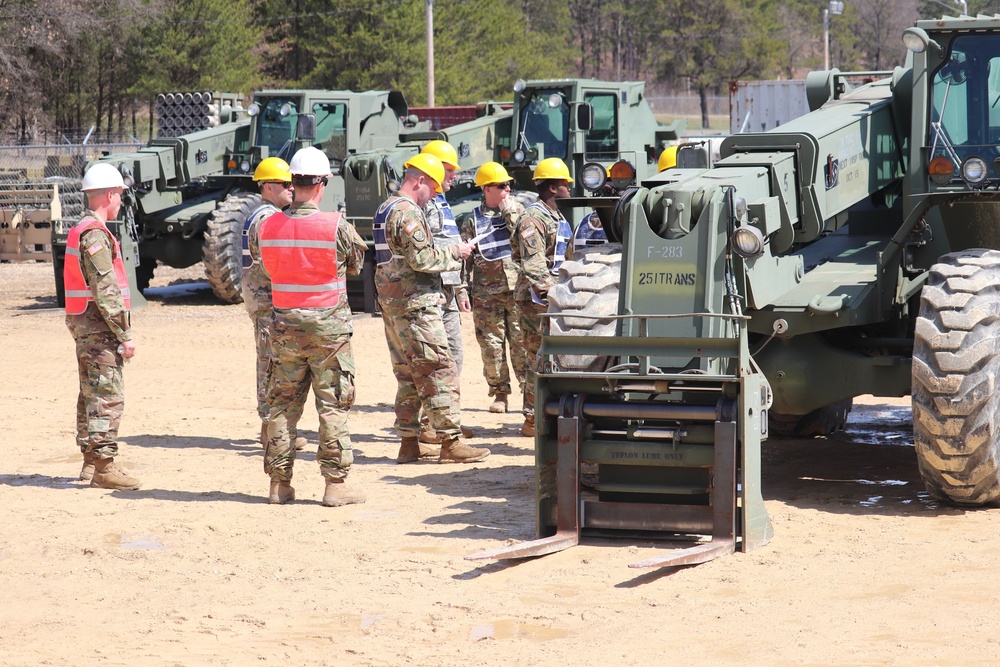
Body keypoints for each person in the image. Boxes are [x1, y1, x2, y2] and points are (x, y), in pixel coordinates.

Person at [257, 146, 367, 506]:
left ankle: (279, 484)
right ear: (321, 184)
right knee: (332, 406)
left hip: (284, 327)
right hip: (328, 331)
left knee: (282, 407)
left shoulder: (268, 225)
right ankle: (335, 485)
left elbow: (267, 267)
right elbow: (355, 265)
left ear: (293, 182)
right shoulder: (336, 225)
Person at [373, 152, 489, 464]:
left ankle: (409, 442)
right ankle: (450, 441)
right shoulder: (408, 212)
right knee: (441, 367)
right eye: (434, 188)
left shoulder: (385, 207)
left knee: (408, 373)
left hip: (393, 302)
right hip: (416, 303)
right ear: (420, 180)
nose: (435, 195)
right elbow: (421, 259)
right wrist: (455, 252)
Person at [65, 162, 141, 490]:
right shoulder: (95, 234)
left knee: (91, 392)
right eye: (119, 195)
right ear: (108, 195)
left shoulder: (81, 229)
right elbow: (106, 290)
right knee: (106, 394)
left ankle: (90, 462)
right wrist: (125, 334)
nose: (121, 201)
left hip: (85, 323)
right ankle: (104, 468)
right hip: (98, 326)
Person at [241, 157, 308, 451]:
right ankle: (270, 429)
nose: (292, 189)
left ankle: (271, 426)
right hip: (268, 301)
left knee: (269, 360)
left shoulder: (260, 215)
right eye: (285, 184)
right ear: (269, 187)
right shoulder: (267, 219)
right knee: (270, 364)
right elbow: (273, 263)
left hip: (263, 299)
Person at [510, 157, 573, 437]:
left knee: (552, 358)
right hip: (536, 300)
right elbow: (534, 263)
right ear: (551, 188)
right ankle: (531, 418)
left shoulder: (556, 216)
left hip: (553, 297)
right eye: (565, 185)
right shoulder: (533, 218)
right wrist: (550, 295)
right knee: (537, 357)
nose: (569, 190)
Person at [416, 139, 474, 443]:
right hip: (432, 290)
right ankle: (429, 425)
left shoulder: (441, 203)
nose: (454, 177)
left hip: (449, 289)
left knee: (454, 358)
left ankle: (446, 420)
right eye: (450, 171)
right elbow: (426, 249)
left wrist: (461, 287)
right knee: (435, 360)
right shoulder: (421, 204)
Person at [460, 161, 526, 414]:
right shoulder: (472, 220)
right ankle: (500, 393)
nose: (507, 189)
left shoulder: (518, 211)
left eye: (509, 185)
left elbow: (524, 237)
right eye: (501, 185)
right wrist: (461, 290)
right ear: (487, 189)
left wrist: (509, 212)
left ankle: (529, 395)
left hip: (518, 291)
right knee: (491, 346)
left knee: (522, 344)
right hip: (487, 294)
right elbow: (465, 257)